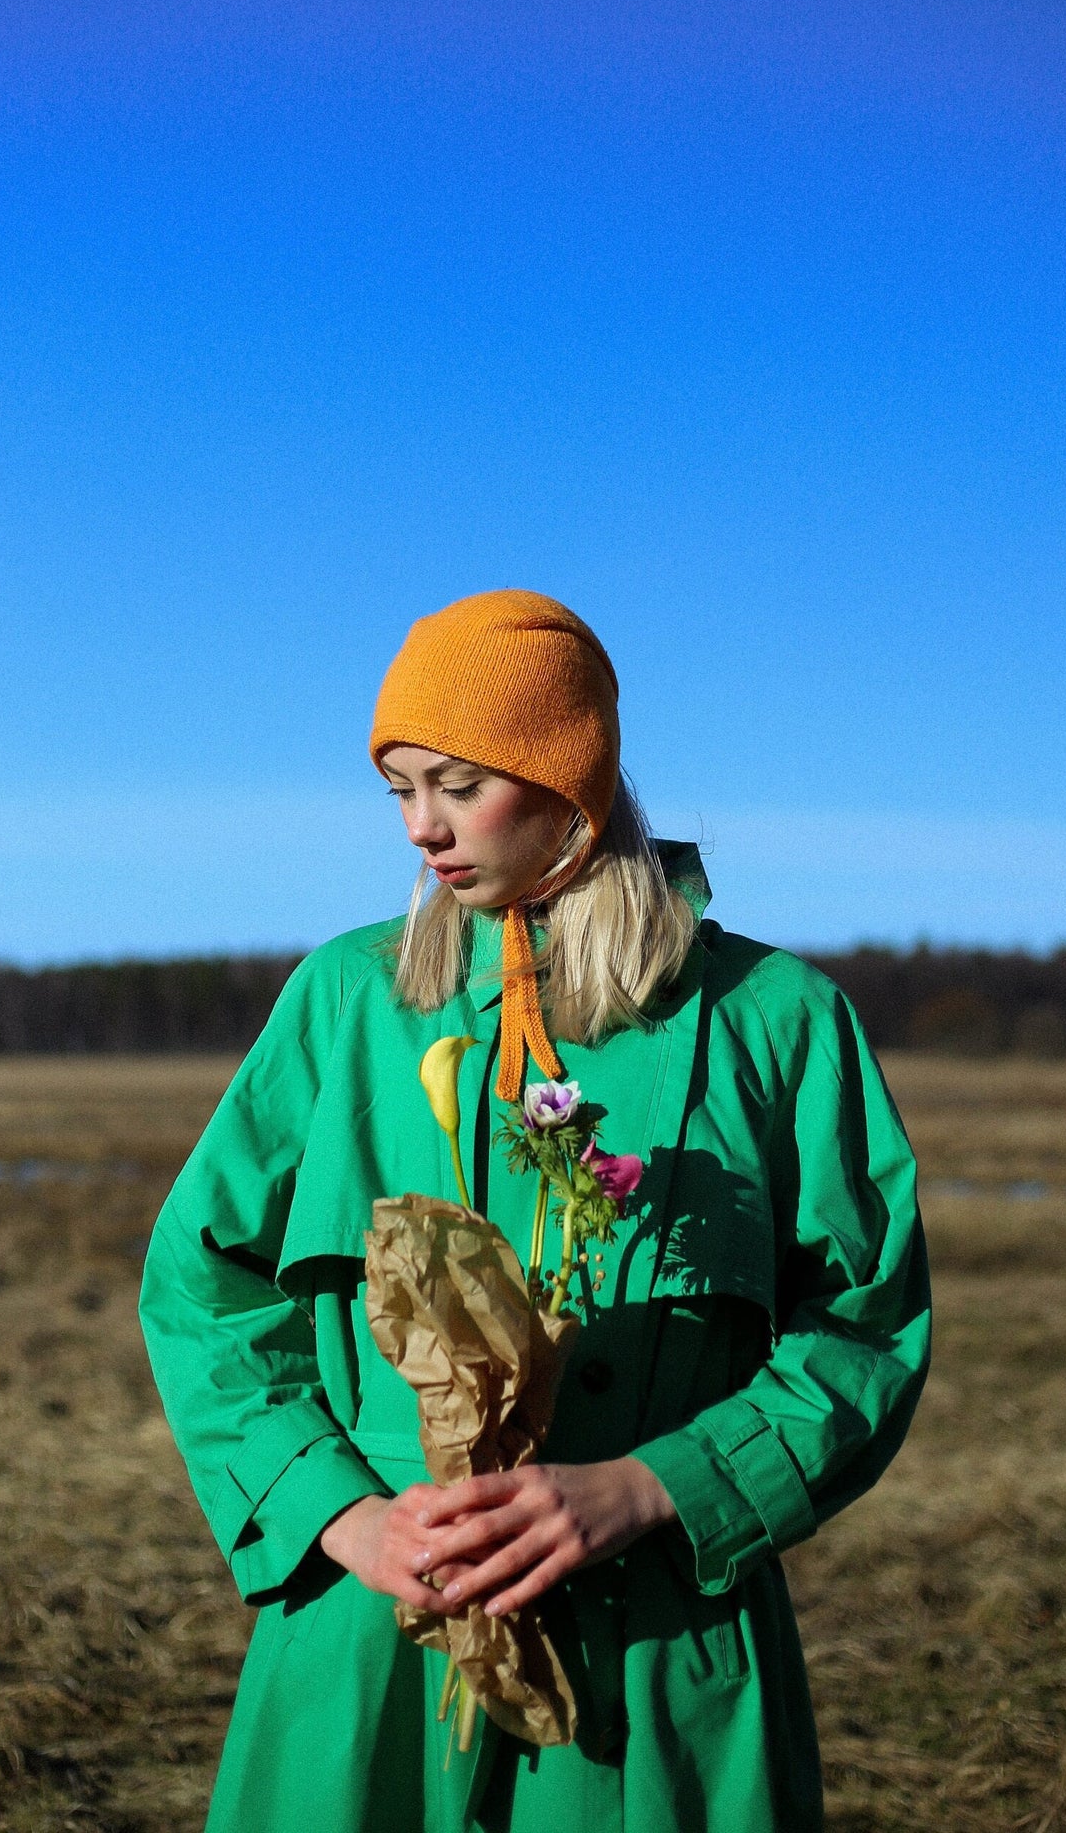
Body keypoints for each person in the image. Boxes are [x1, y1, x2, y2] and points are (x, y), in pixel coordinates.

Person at [139, 589, 930, 1833]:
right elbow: (202, 1280)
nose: (423, 828)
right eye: (400, 789)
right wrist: (338, 1512)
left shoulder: (776, 1019)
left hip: (661, 1656)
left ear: (570, 778)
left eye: (458, 784)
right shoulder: (345, 999)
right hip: (374, 1639)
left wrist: (655, 1485)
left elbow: (864, 1326)